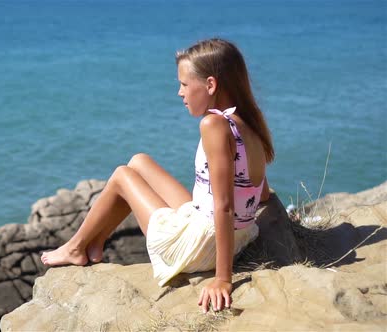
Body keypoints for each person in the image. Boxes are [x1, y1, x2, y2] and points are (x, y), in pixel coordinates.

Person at [41, 38, 274, 314]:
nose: (179, 92)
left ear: (210, 85)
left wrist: (222, 279)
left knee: (121, 176)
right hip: (239, 232)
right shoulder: (248, 119)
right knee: (140, 161)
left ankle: (76, 247)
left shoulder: (214, 125)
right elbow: (259, 192)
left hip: (202, 244)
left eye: (185, 85)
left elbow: (224, 206)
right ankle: (97, 241)